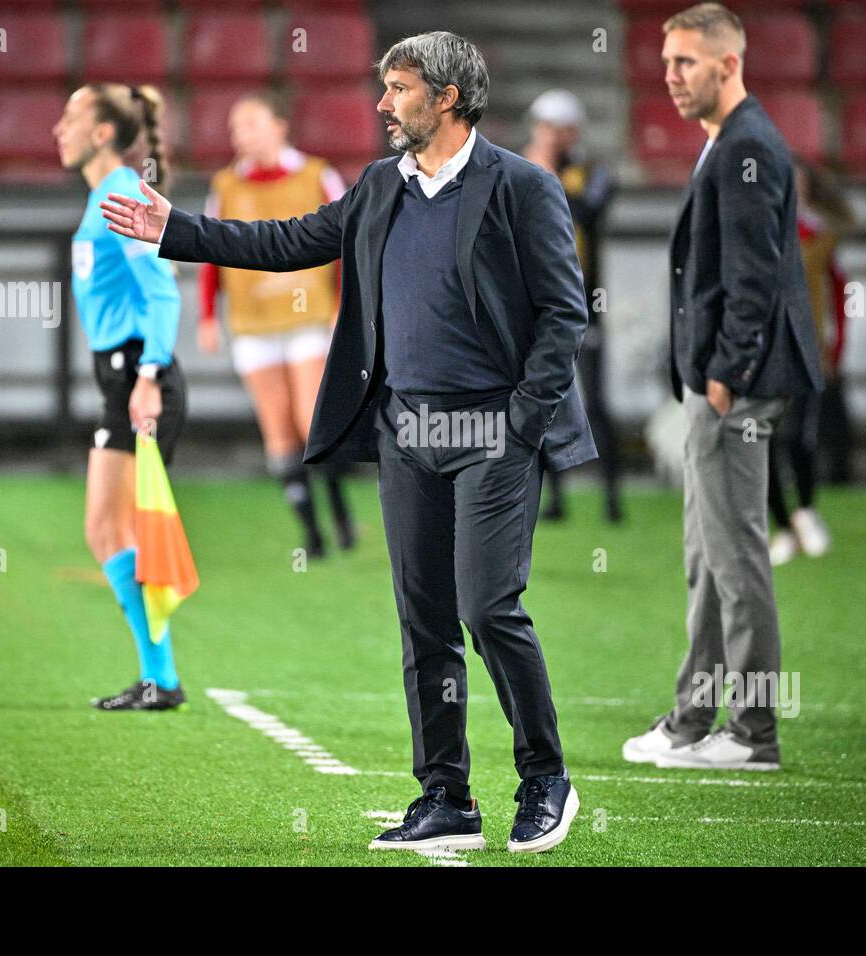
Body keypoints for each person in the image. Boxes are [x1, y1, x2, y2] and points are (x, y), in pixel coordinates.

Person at [100, 31, 595, 853]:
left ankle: (546, 778)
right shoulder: (378, 187)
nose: (381, 104)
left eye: (398, 88)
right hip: (407, 431)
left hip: (492, 434)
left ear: (445, 97)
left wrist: (521, 424)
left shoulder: (523, 187)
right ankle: (447, 796)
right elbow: (286, 241)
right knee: (425, 620)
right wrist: (174, 230)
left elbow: (564, 314)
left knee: (487, 607)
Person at [622, 3, 822, 771]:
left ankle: (754, 734)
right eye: (666, 62)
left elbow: (754, 281)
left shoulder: (746, 148)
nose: (670, 77)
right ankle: (692, 721)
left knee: (735, 562)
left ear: (728, 64)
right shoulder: (732, 143)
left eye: (685, 63)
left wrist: (723, 378)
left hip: (735, 388)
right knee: (709, 559)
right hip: (727, 385)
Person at [53, 83, 188, 711]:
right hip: (122, 373)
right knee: (114, 532)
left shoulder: (122, 192)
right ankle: (158, 676)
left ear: (103, 132)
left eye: (72, 117)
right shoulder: (107, 194)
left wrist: (149, 375)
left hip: (139, 373)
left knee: (109, 530)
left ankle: (161, 676)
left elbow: (163, 290)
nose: (59, 128)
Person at [196, 92, 355, 559]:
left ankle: (340, 509)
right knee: (278, 429)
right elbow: (210, 250)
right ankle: (312, 533)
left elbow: (350, 239)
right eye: (234, 128)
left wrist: (343, 302)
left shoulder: (316, 175)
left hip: (308, 314)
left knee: (311, 418)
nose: (240, 135)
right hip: (252, 321)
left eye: (249, 123)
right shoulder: (226, 185)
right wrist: (208, 315)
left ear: (279, 125)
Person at [522, 89, 624, 523]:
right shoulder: (522, 169)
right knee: (543, 402)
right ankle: (555, 498)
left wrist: (546, 174)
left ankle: (612, 497)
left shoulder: (594, 173)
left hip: (584, 304)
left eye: (557, 129)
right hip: (537, 305)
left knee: (596, 403)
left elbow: (586, 213)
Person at [768, 161, 851, 565]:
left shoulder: (820, 235)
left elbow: (838, 292)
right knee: (763, 441)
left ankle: (804, 511)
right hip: (764, 351)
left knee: (800, 435)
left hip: (805, 348)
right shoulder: (758, 231)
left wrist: (837, 345)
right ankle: (783, 526)